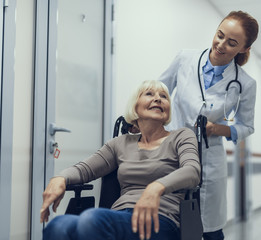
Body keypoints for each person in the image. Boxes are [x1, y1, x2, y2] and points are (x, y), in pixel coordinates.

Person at [40, 80, 201, 240]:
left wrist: (157, 187)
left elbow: (192, 171)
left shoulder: (181, 136)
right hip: (119, 216)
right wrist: (60, 178)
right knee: (58, 225)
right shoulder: (120, 144)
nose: (158, 99)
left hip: (162, 219)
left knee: (92, 220)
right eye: (149, 94)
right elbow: (84, 169)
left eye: (164, 96)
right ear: (135, 106)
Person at [159, 10, 259, 240]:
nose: (221, 44)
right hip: (172, 152)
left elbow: (247, 126)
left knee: (210, 229)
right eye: (220, 35)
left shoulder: (245, 83)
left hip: (209, 158)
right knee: (169, 222)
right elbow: (159, 90)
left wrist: (217, 129)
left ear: (243, 49)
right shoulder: (185, 58)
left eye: (232, 42)